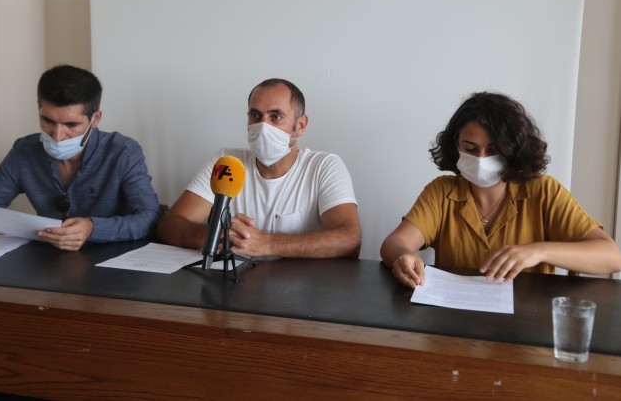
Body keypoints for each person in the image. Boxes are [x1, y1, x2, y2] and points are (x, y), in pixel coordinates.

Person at [380, 92, 621, 288]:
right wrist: (403, 255)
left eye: (494, 150)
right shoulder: (441, 192)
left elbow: (612, 257)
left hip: (526, 322)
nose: (481, 158)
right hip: (456, 320)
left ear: (513, 149)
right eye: (470, 149)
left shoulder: (544, 191)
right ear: (456, 146)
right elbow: (394, 242)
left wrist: (538, 251)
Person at [0, 64, 160, 251]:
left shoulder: (123, 151)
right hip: (47, 262)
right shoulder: (24, 151)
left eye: (71, 124)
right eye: (48, 121)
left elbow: (149, 218)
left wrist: (92, 228)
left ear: (95, 119)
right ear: (39, 109)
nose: (58, 135)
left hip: (114, 262)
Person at [157, 78, 361, 258]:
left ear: (300, 125)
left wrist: (267, 243)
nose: (263, 126)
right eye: (255, 115)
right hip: (233, 282)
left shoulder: (324, 167)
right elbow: (169, 225)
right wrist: (214, 235)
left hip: (298, 285)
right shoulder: (227, 162)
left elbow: (350, 240)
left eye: (275, 116)